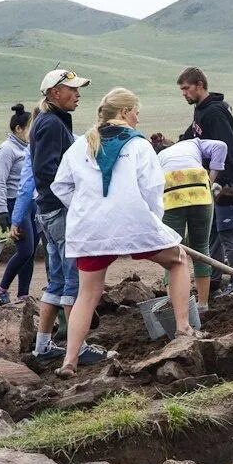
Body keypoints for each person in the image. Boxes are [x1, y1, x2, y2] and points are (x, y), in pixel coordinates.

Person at [50, 88, 198, 378]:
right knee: (178, 258)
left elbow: (61, 186)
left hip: (90, 229)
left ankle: (69, 361)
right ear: (125, 112)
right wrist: (154, 222)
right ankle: (183, 328)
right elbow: (153, 188)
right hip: (133, 223)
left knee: (87, 293)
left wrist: (86, 209)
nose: (138, 117)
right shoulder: (139, 145)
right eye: (136, 112)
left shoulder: (80, 146)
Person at [30, 69, 91, 363]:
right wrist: (74, 195)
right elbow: (46, 171)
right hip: (59, 210)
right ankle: (76, 349)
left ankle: (43, 346)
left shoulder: (50, 121)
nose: (78, 95)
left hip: (48, 210)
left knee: (56, 279)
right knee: (74, 277)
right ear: (55, 93)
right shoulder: (53, 124)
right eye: (72, 90)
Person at [178, 67, 233, 298]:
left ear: (199, 85)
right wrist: (173, 145)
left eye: (186, 88)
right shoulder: (201, 110)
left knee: (228, 232)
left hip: (226, 181)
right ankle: (214, 280)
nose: (184, 94)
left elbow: (227, 147)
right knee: (213, 234)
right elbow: (193, 137)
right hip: (215, 181)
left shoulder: (215, 112)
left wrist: (219, 181)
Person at [151, 134, 228, 312]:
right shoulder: (194, 143)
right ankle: (203, 305)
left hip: (170, 191)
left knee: (171, 250)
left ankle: (174, 307)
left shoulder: (157, 157)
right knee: (201, 247)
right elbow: (221, 146)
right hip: (199, 188)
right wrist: (211, 178)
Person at [0, 104, 38, 305]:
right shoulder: (7, 149)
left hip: (31, 203)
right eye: (30, 127)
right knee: (25, 250)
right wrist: (2, 210)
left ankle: (23, 295)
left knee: (30, 252)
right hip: (15, 204)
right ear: (18, 129)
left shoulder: (28, 149)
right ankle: (1, 288)